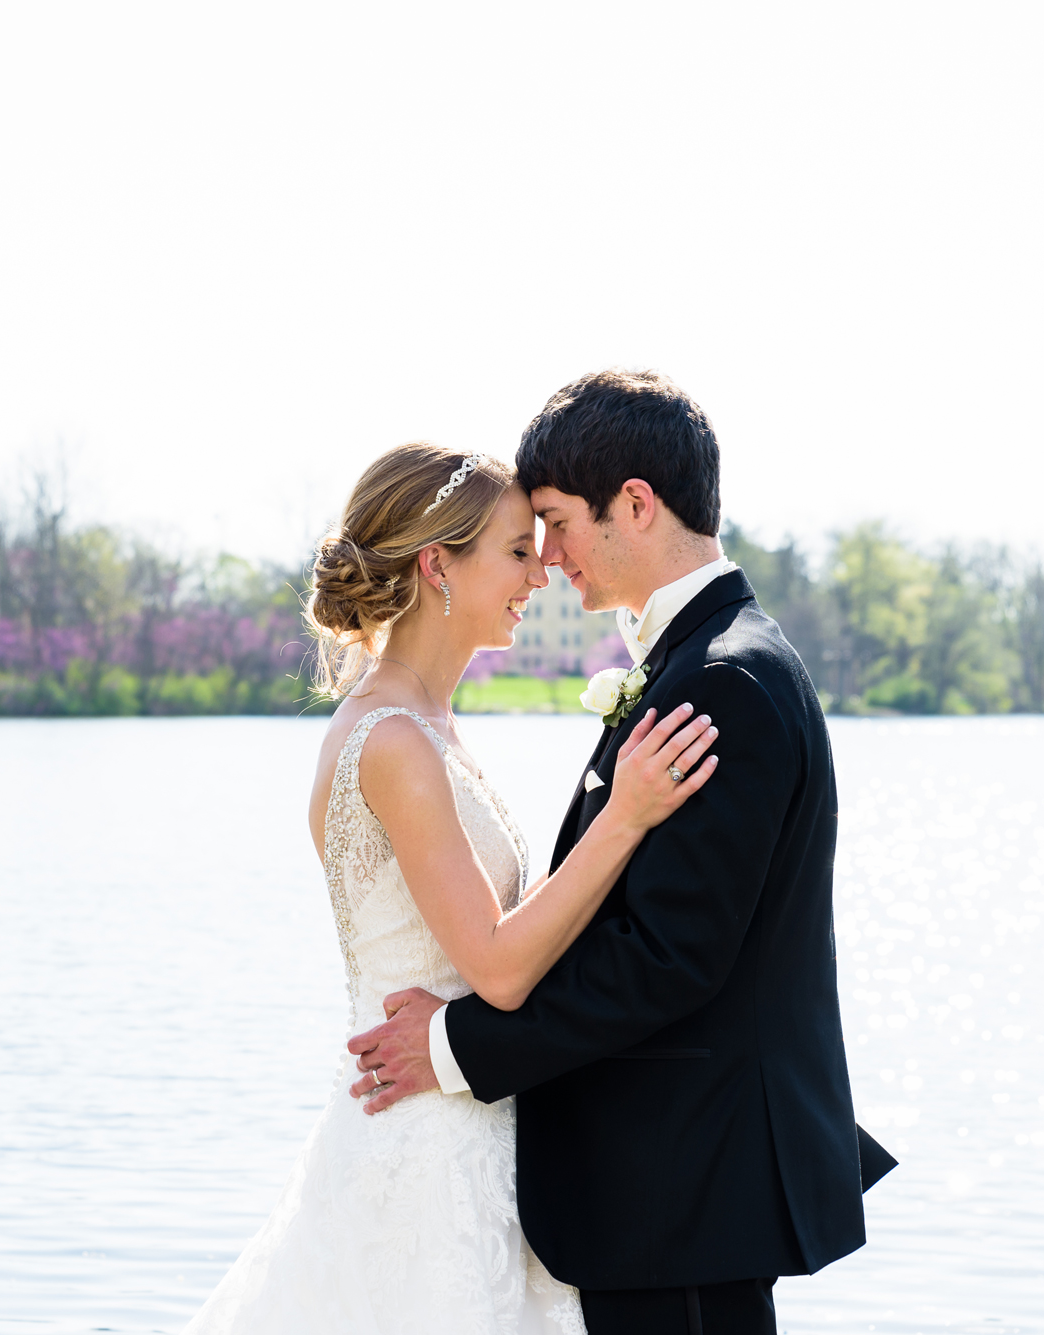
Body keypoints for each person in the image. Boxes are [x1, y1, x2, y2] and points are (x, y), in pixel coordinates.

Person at [347, 370, 893, 1334]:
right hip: (670, 1187)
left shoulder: (723, 680)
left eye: (554, 522)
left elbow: (666, 958)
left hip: (684, 1182)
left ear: (634, 504)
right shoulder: (706, 660)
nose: (548, 557)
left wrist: (451, 1046)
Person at [183, 442, 722, 1333]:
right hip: (420, 1150)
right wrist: (625, 815)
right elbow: (501, 967)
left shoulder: (431, 724)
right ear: (438, 562)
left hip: (471, 1127)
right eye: (517, 550)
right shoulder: (392, 740)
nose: (540, 572)